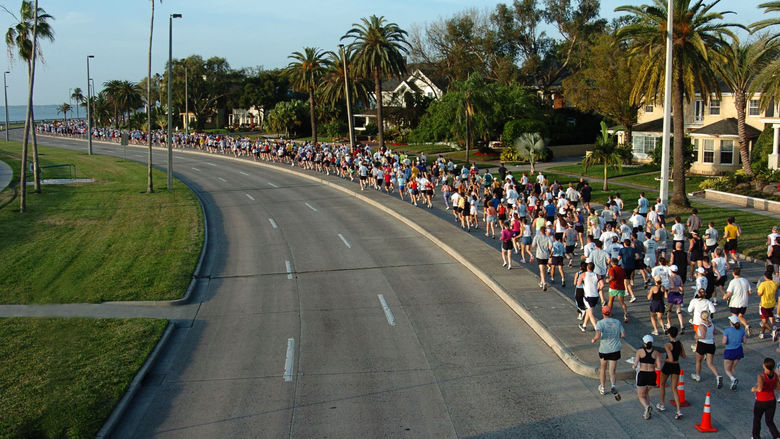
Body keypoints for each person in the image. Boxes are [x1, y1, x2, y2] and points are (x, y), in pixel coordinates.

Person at [592, 305, 624, 400]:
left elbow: (597, 335)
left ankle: (602, 387)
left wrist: (594, 339)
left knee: (603, 369)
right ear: (610, 313)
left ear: (602, 313)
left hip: (604, 349)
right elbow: (623, 334)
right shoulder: (617, 322)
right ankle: (613, 385)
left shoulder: (600, 323)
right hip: (615, 349)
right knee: (612, 371)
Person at [657, 326, 686, 420]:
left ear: (669, 334)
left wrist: (662, 359)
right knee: (674, 388)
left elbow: (670, 359)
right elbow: (684, 356)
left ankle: (662, 404)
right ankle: (678, 411)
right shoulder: (679, 343)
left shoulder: (667, 345)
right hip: (677, 366)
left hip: (668, 366)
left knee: (662, 384)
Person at [691, 310, 723, 388]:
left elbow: (703, 336)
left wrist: (696, 337)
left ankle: (698, 375)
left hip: (702, 344)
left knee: (698, 361)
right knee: (710, 363)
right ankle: (718, 376)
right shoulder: (711, 324)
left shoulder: (702, 325)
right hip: (711, 344)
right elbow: (715, 332)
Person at [751, 357, 780, 439]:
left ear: (764, 365)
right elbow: (778, 387)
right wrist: (770, 386)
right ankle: (777, 436)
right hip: (772, 400)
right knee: (769, 421)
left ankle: (756, 436)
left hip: (761, 401)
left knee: (757, 419)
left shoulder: (761, 376)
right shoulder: (775, 375)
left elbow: (759, 389)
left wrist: (754, 389)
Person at [634, 334, 661, 420]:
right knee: (646, 393)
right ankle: (647, 413)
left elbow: (635, 364)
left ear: (644, 343)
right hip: (652, 375)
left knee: (641, 396)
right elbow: (659, 367)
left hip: (642, 374)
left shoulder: (640, 351)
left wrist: (635, 366)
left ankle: (646, 407)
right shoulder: (656, 353)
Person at [724, 267, 753, 336]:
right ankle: (746, 326)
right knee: (740, 316)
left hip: (735, 303)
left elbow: (729, 293)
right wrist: (746, 295)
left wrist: (725, 296)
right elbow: (750, 291)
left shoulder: (733, 282)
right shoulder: (745, 280)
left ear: (733, 273)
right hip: (744, 302)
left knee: (734, 318)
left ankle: (735, 332)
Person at [723, 315, 746, 391]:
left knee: (727, 369)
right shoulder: (742, 330)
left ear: (731, 322)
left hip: (729, 351)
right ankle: (733, 382)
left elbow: (724, 342)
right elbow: (745, 341)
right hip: (739, 350)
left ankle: (733, 379)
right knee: (733, 368)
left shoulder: (727, 330)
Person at [578, 262, 603, 332]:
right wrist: (598, 289)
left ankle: (597, 328)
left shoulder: (583, 274)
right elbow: (602, 285)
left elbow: (578, 283)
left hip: (588, 296)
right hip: (595, 296)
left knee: (590, 313)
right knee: (588, 311)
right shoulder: (597, 275)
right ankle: (584, 326)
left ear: (587, 268)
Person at [607, 258, 629, 323]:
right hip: (621, 287)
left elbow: (612, 277)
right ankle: (625, 313)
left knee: (611, 301)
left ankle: (608, 313)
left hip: (613, 287)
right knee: (622, 302)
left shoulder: (612, 269)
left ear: (612, 263)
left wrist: (608, 280)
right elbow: (625, 277)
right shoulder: (622, 269)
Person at [757, 271, 778, 340]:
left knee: (764, 321)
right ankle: (762, 333)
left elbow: (759, 294)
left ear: (765, 277)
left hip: (764, 304)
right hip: (772, 304)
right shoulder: (774, 284)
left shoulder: (763, 284)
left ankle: (772, 331)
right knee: (770, 317)